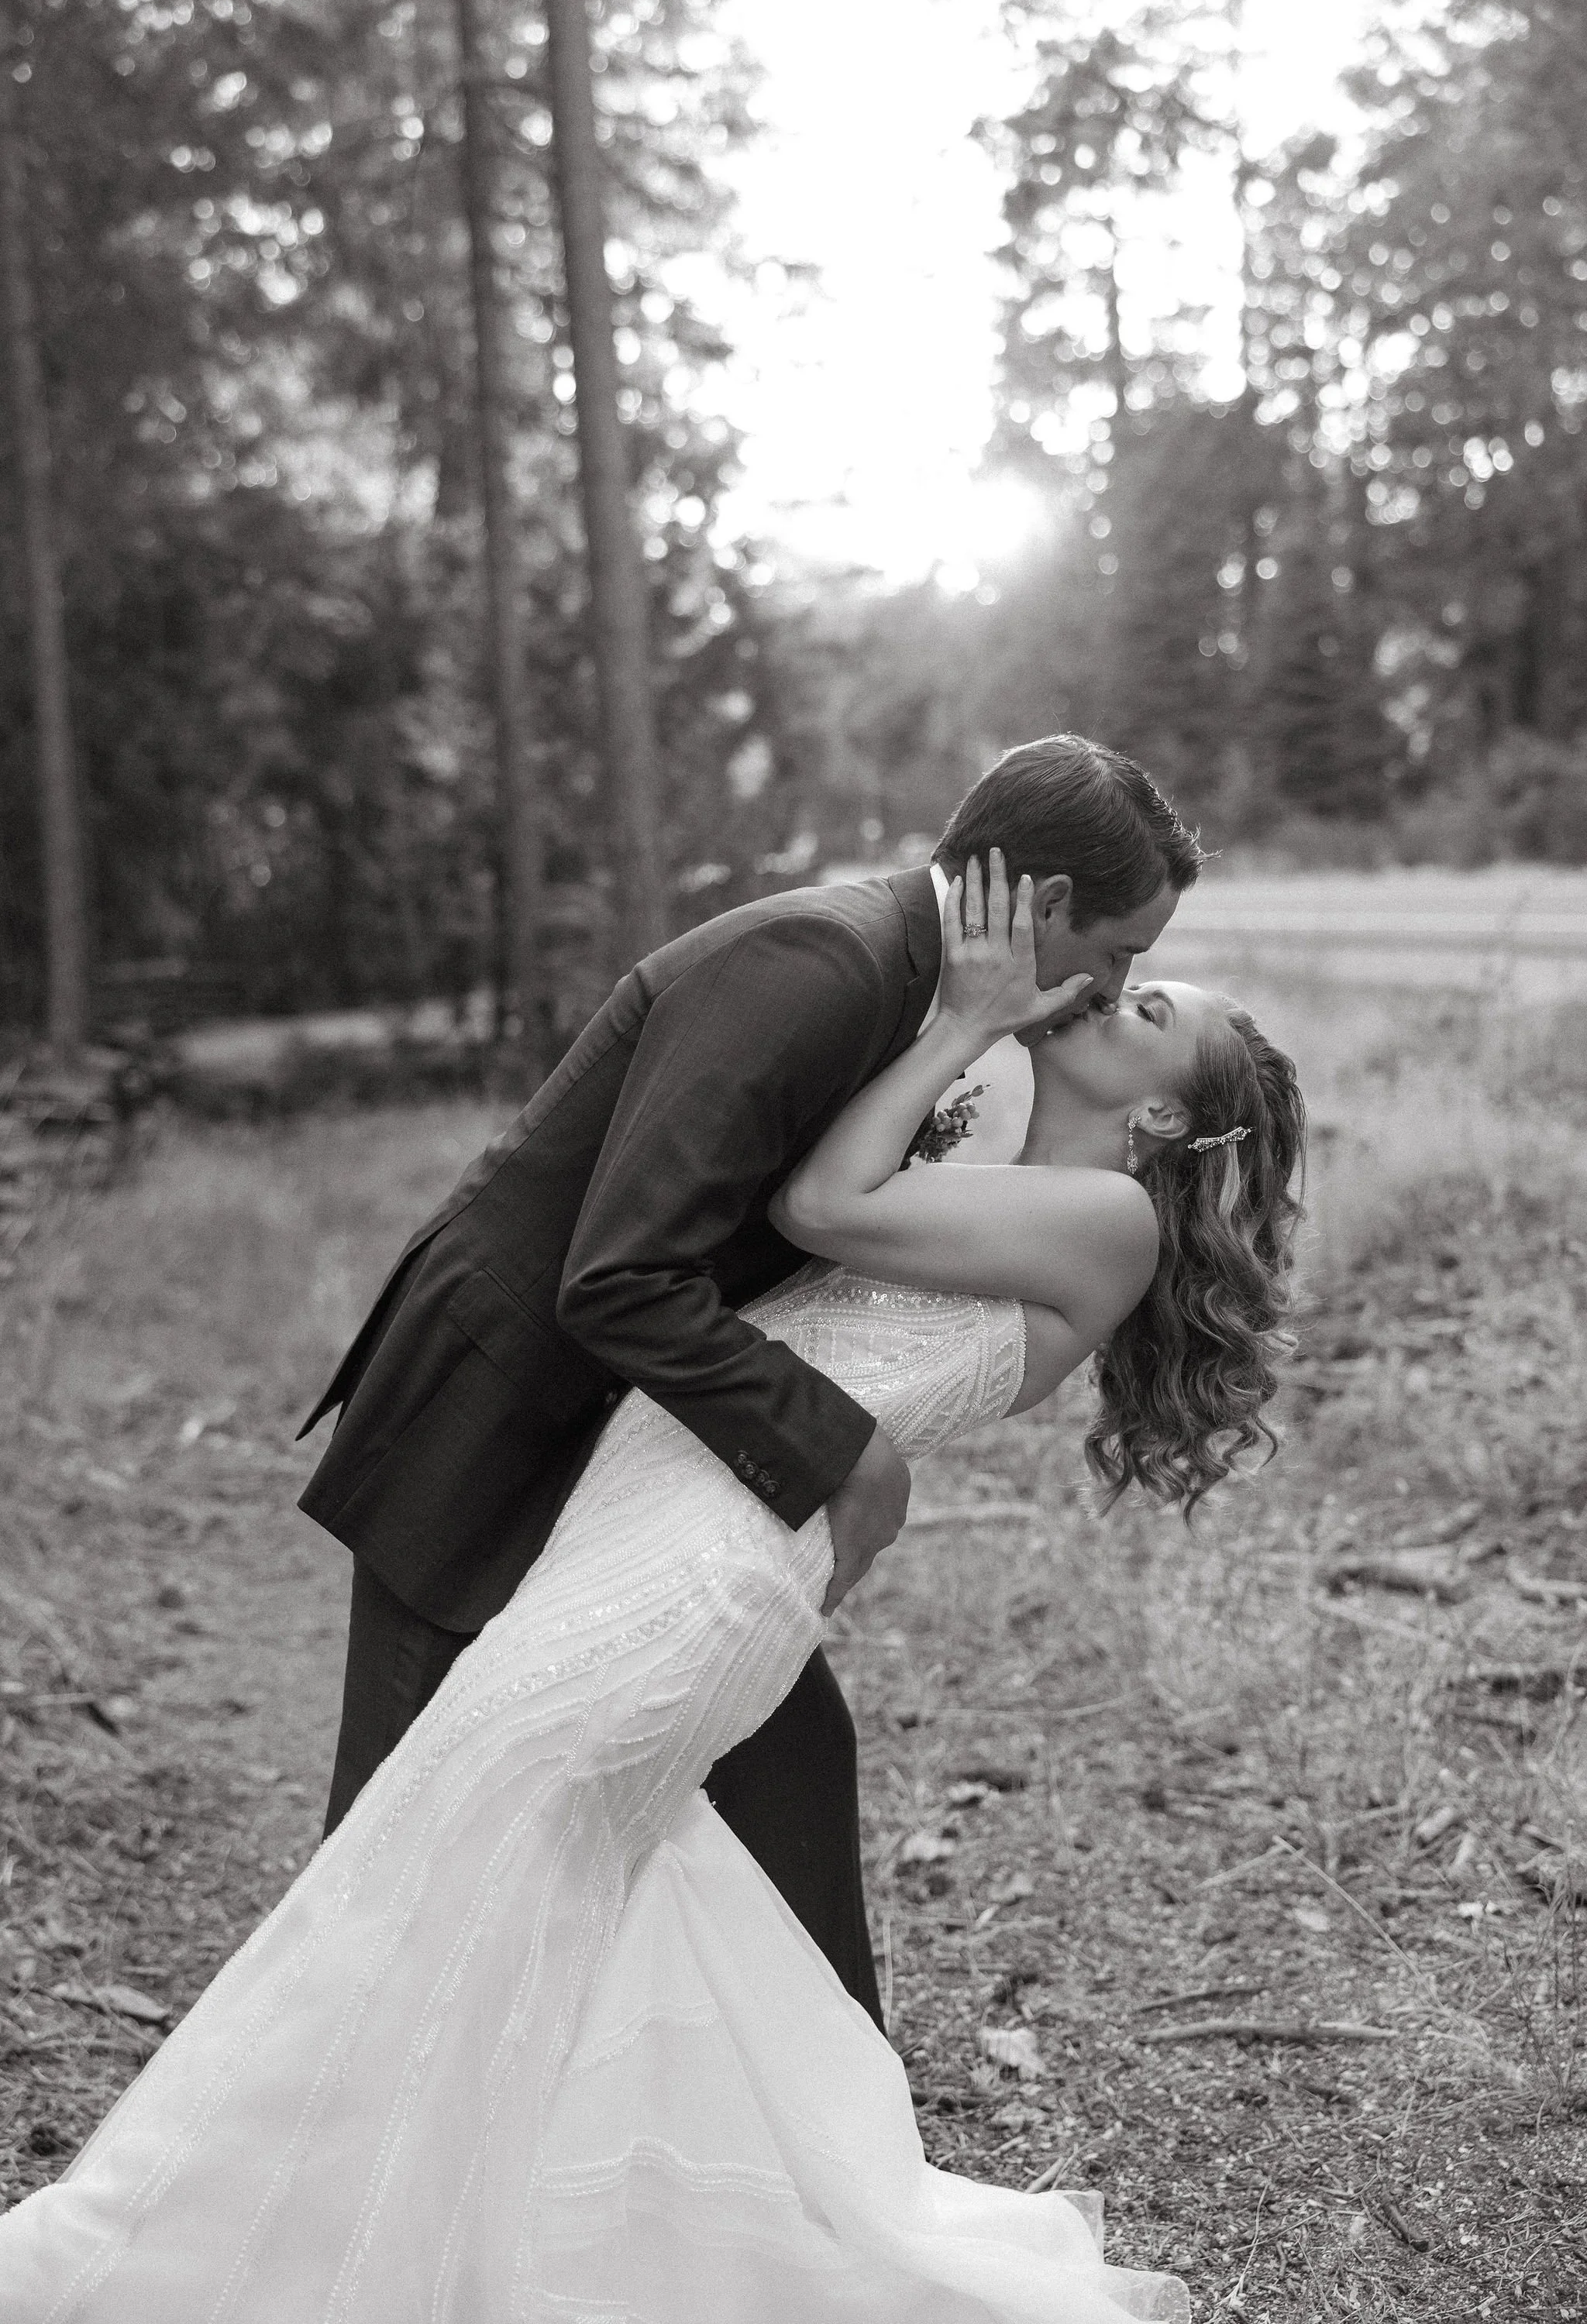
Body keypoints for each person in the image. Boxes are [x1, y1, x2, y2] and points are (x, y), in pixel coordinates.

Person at [0, 848, 1305, 2323]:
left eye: (1149, 1010)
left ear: (1166, 1115)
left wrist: (960, 1018)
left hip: (712, 1561)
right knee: (527, 1851)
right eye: (1128, 973)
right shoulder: (999, 1158)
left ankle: (278, 2239)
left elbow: (817, 1201)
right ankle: (523, 2203)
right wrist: (969, 1027)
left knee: (461, 1837)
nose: (1111, 996)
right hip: (664, 1508)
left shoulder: (1106, 1222)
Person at [300, 734, 1203, 2023]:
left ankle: (826, 2157)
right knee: (402, 1825)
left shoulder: (902, 982)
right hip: (497, 1413)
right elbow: (617, 1277)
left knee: (786, 1759)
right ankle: (319, 2147)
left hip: (637, 1441)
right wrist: (843, 1450)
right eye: (1121, 952)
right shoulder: (821, 961)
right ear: (1048, 908)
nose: (1116, 984)